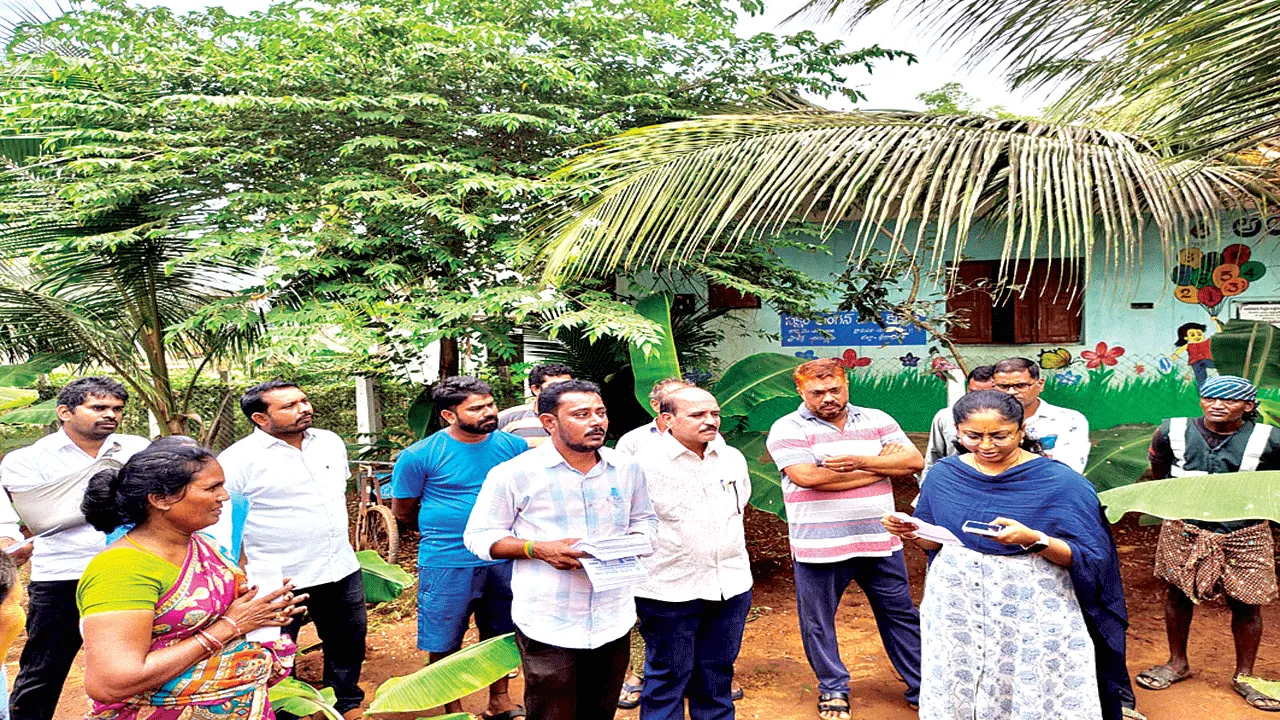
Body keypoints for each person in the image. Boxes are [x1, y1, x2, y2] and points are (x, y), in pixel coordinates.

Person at [883, 390, 1129, 720]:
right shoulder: (943, 475)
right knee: (959, 675)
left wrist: (1035, 539)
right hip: (957, 606)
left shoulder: (1061, 482)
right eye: (973, 436)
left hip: (1032, 607)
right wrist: (913, 532)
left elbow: (1091, 558)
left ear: (1021, 430)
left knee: (1031, 680)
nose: (986, 445)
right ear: (957, 431)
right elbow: (934, 544)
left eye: (1000, 436)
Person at [464, 380, 657, 720]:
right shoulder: (514, 473)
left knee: (600, 713)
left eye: (601, 413)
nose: (596, 422)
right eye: (581, 415)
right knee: (552, 714)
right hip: (550, 622)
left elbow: (645, 520)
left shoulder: (626, 468)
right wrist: (536, 549)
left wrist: (634, 542)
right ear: (549, 422)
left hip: (614, 617)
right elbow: (479, 536)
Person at [77, 443, 304, 719]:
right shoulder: (121, 570)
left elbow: (222, 612)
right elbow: (112, 682)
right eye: (212, 488)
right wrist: (231, 626)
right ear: (160, 499)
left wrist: (263, 608)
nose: (224, 497)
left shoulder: (205, 545)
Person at [764, 359, 924, 719]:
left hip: (880, 539)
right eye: (817, 392)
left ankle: (921, 684)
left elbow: (913, 462)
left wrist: (855, 461)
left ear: (846, 384)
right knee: (818, 621)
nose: (828, 398)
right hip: (819, 546)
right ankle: (833, 686)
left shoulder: (877, 419)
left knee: (900, 613)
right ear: (800, 392)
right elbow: (808, 478)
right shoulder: (787, 427)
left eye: (835, 389)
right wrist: (879, 467)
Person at [213, 380, 366, 719]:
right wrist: (241, 575)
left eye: (304, 400)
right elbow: (225, 522)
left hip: (339, 565)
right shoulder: (237, 460)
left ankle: (346, 703)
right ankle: (287, 712)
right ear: (260, 418)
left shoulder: (329, 442)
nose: (304, 408)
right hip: (275, 578)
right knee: (276, 650)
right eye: (290, 406)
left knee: (347, 641)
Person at [1, 377, 150, 720]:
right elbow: (42, 518)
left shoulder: (135, 447)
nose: (110, 415)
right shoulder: (27, 459)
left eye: (117, 409)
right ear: (65, 412)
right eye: (98, 407)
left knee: (138, 662)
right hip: (63, 573)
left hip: (129, 571)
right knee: (43, 670)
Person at [1136, 375, 1280, 711]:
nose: (1217, 405)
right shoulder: (1171, 431)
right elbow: (1159, 469)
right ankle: (1177, 662)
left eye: (1229, 400)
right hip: (1185, 528)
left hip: (1245, 531)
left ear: (1248, 405)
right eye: (1209, 397)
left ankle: (1245, 675)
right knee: (1178, 594)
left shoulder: (1269, 439)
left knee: (1247, 603)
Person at [391, 376, 529, 720]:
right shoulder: (419, 455)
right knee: (444, 636)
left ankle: (500, 701)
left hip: (502, 555)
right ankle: (452, 708)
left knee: (501, 632)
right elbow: (403, 510)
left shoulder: (514, 447)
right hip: (447, 559)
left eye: (490, 404)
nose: (489, 412)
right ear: (449, 415)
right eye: (477, 408)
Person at [634, 387, 752, 720]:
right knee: (667, 677)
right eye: (697, 415)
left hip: (731, 586)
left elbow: (739, 505)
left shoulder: (732, 458)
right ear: (667, 419)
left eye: (714, 413)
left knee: (717, 675)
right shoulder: (642, 465)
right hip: (669, 591)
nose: (710, 421)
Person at [614, 375, 692, 710]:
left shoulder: (706, 436)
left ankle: (701, 676)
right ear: (656, 405)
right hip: (649, 539)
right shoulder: (633, 442)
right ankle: (637, 673)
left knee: (701, 611)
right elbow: (620, 492)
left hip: (694, 540)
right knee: (643, 612)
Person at [991, 357, 1090, 472]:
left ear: (1040, 384)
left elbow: (1068, 470)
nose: (1012, 392)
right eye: (1003, 386)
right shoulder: (982, 420)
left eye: (1021, 385)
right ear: (993, 386)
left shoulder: (1069, 419)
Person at [921, 365, 995, 481]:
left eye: (988, 394)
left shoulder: (1011, 419)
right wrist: (926, 487)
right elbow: (933, 459)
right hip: (953, 484)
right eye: (973, 392)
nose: (979, 399)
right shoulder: (946, 417)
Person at [497, 363, 576, 447]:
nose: (562, 390)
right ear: (536, 389)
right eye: (554, 386)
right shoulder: (508, 419)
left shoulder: (582, 418)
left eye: (568, 385)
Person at [615, 377, 691, 456]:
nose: (682, 406)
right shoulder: (632, 440)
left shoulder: (698, 435)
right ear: (656, 405)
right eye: (674, 401)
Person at [1171, 321, 1219, 388]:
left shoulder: (1207, 342)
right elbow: (1181, 349)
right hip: (1196, 362)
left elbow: (1218, 333)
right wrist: (1176, 354)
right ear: (1186, 338)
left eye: (1199, 334)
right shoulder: (1189, 346)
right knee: (1200, 377)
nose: (1197, 336)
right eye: (1192, 335)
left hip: (1207, 360)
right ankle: (1202, 388)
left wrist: (1217, 322)